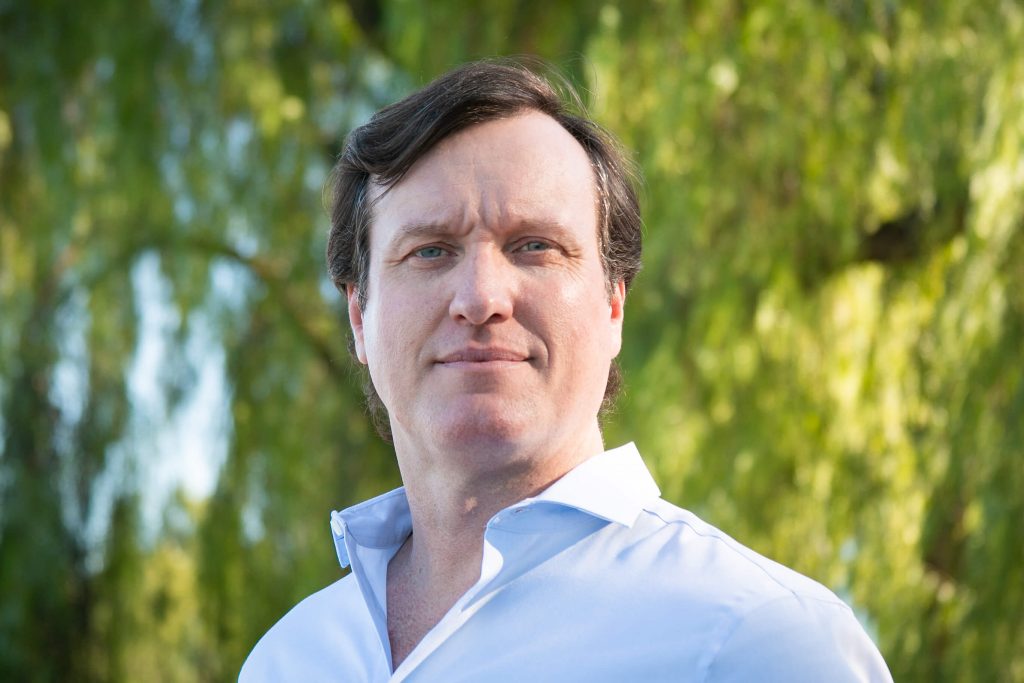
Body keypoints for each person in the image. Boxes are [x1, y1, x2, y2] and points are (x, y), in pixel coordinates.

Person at [240, 60, 893, 682]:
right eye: (430, 251)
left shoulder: (757, 642)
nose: (480, 298)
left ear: (614, 305)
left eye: (535, 247)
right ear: (359, 317)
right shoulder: (286, 663)